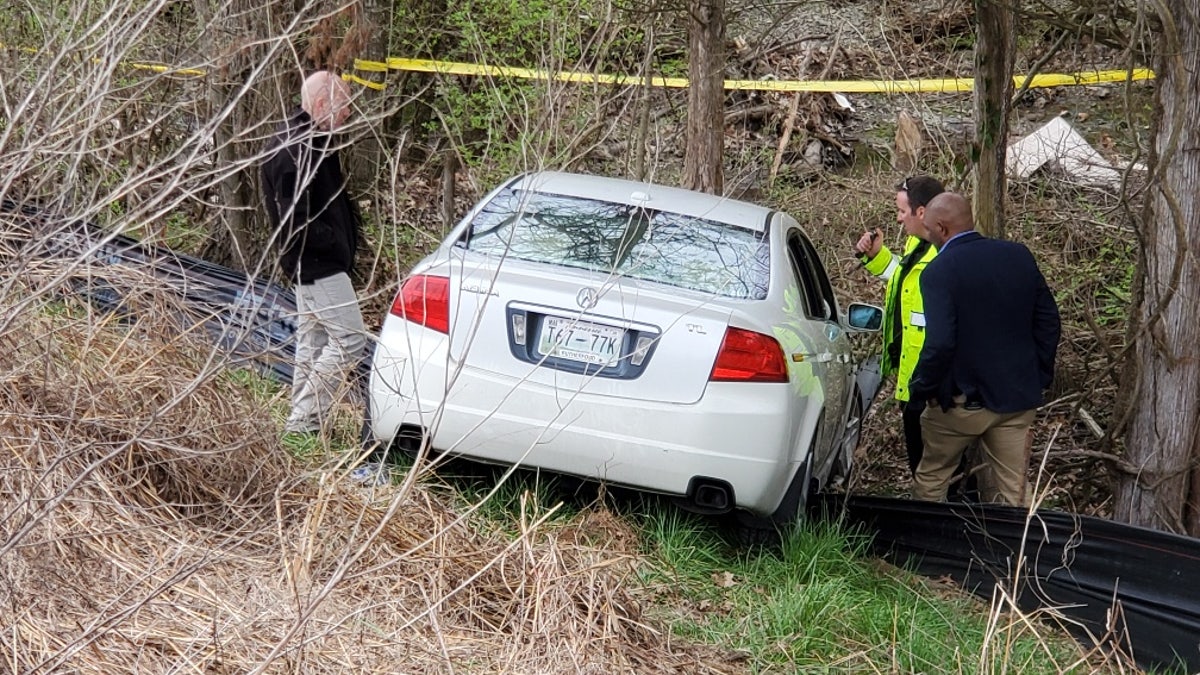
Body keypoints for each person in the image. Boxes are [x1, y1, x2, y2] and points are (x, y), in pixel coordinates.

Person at [907, 193, 1061, 506]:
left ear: (942, 227)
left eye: (929, 230)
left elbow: (940, 344)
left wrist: (921, 387)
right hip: (1016, 400)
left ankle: (926, 549)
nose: (928, 236)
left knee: (933, 477)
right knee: (1013, 489)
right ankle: (1019, 553)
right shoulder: (1018, 256)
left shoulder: (938, 272)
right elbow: (1049, 322)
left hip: (961, 406)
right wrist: (1038, 374)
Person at [261, 70, 366, 435]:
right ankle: (304, 421)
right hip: (317, 264)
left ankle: (299, 425)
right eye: (345, 104)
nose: (349, 113)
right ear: (322, 104)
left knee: (313, 341)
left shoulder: (313, 141)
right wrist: (333, 242)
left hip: (316, 262)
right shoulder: (296, 149)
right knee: (351, 340)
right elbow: (295, 221)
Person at [854, 175, 943, 475]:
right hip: (913, 375)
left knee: (932, 467)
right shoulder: (916, 245)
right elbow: (904, 281)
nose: (898, 218)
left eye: (902, 211)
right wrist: (877, 256)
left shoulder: (943, 255)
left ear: (921, 213)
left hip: (932, 383)